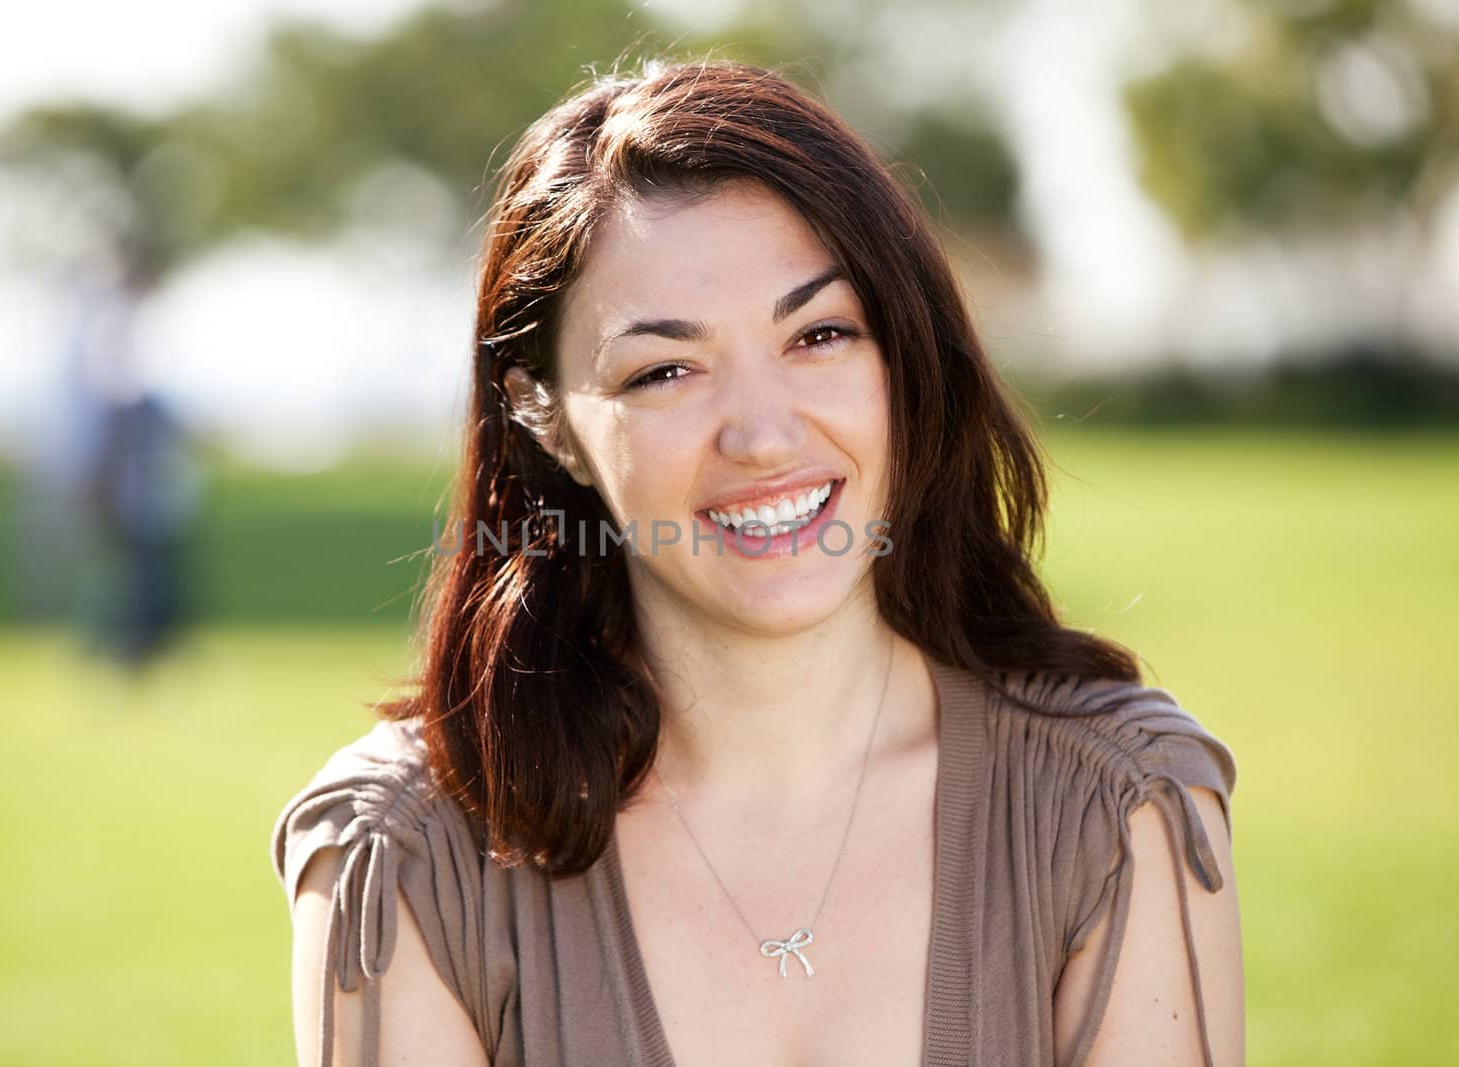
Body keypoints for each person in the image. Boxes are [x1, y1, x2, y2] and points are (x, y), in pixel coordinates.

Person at [271, 57, 1242, 1067]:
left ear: (903, 358)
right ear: (546, 422)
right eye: (665, 369)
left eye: (818, 333)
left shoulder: (1114, 804)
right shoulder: (407, 856)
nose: (765, 436)